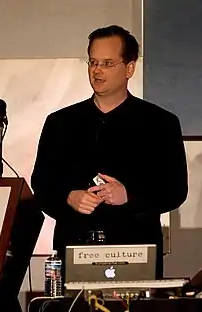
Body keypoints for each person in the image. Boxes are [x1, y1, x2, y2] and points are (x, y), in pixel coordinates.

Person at [31, 25, 188, 279]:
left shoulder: (160, 123)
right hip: (75, 248)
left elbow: (175, 189)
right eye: (92, 62)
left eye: (107, 63)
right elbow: (42, 184)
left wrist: (130, 195)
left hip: (136, 250)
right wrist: (69, 197)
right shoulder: (60, 123)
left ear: (129, 68)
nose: (97, 70)